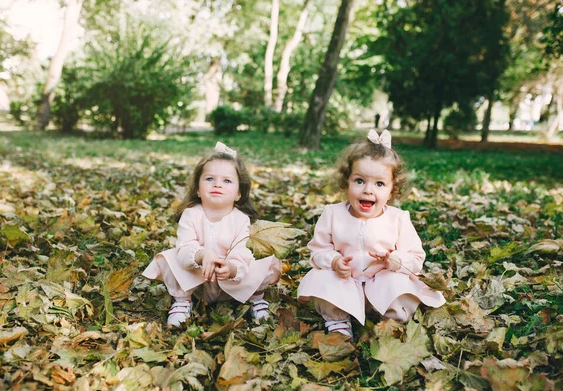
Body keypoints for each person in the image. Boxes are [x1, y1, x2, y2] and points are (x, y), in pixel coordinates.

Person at [297, 130, 445, 338]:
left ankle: (390, 322)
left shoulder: (398, 219)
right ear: (346, 181)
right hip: (345, 284)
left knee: (400, 283)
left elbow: (415, 258)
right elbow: (318, 250)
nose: (368, 190)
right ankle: (338, 321)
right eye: (359, 181)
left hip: (381, 285)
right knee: (321, 277)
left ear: (393, 189)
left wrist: (394, 260)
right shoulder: (333, 214)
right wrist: (334, 261)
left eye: (379, 184)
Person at [142, 142, 281, 327]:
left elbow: (242, 253)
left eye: (227, 181)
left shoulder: (241, 220)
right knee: (170, 258)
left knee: (263, 267)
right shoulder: (191, 214)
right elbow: (185, 250)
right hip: (197, 282)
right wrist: (202, 254)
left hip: (230, 283)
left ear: (239, 193)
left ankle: (256, 299)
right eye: (209, 179)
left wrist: (231, 268)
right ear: (198, 189)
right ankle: (183, 302)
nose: (217, 184)